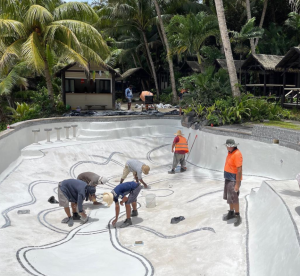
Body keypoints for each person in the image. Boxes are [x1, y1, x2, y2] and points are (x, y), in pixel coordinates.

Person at [223, 139, 243, 227]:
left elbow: (239, 170)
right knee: (229, 197)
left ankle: (237, 215)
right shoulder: (230, 152)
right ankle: (231, 212)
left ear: (231, 146)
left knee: (234, 198)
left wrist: (237, 184)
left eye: (227, 146)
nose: (226, 147)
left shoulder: (237, 154)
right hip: (228, 178)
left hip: (234, 180)